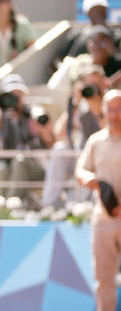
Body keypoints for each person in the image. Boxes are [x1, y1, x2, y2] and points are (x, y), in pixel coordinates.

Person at [75, 90, 121, 311]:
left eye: (119, 108)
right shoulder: (95, 141)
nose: (115, 114)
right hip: (103, 219)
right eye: (110, 109)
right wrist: (91, 180)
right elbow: (80, 170)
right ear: (103, 111)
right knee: (103, 277)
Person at [0, 74, 54, 200]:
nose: (15, 99)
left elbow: (51, 143)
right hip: (8, 165)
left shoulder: (33, 114)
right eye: (10, 96)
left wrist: (41, 129)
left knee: (19, 161)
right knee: (1, 168)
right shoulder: (1, 118)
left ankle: (13, 203)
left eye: (18, 94)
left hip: (35, 166)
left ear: (24, 95)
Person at [42, 66, 106, 208]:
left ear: (104, 84)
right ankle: (48, 205)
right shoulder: (80, 105)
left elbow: (110, 133)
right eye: (88, 85)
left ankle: (79, 209)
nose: (92, 89)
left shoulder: (111, 103)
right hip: (79, 155)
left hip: (101, 157)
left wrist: (98, 109)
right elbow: (60, 134)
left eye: (95, 85)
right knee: (60, 149)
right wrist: (75, 104)